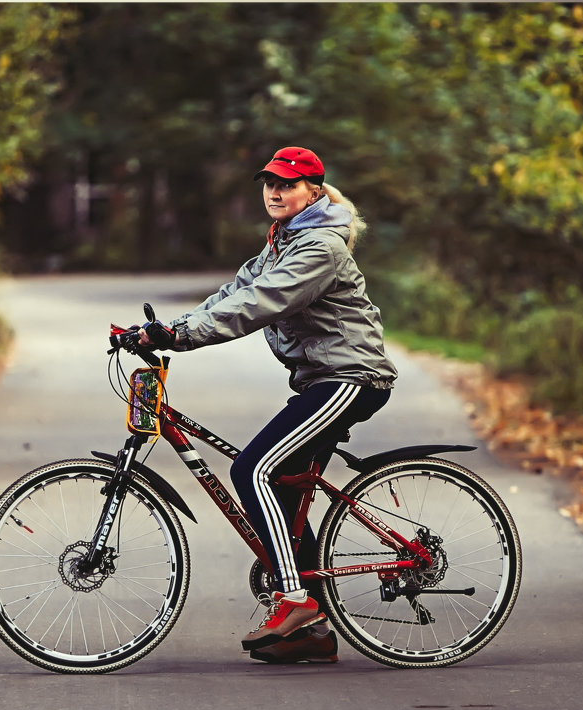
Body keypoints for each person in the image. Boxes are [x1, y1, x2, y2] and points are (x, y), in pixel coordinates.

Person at [140, 146, 397, 663]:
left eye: (289, 184)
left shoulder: (319, 247)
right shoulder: (280, 245)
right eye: (269, 183)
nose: (276, 192)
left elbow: (260, 303)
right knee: (280, 485)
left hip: (350, 378)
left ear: (314, 192)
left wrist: (183, 338)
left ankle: (296, 600)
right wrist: (161, 331)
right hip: (319, 381)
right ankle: (313, 632)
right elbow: (231, 294)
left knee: (252, 468)